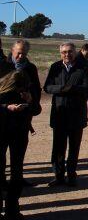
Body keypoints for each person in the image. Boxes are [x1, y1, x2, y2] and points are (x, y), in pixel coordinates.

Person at [43, 42, 88, 187]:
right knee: (58, 147)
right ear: (60, 53)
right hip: (59, 113)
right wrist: (62, 89)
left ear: (75, 52)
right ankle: (58, 176)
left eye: (70, 51)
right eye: (64, 52)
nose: (67, 54)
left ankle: (71, 175)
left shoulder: (83, 68)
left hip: (76, 114)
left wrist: (73, 89)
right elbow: (47, 87)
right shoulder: (55, 67)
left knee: (74, 147)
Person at [0, 70, 40, 219]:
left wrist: (30, 101)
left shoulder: (26, 91)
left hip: (19, 133)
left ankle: (12, 209)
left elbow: (37, 110)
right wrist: (6, 107)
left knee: (17, 172)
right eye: (19, 88)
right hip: (2, 132)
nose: (20, 91)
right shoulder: (2, 91)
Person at [2, 39, 42, 189]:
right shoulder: (3, 66)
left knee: (18, 156)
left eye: (24, 53)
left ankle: (17, 181)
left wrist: (31, 98)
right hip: (4, 117)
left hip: (22, 119)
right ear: (12, 50)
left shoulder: (30, 68)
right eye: (18, 53)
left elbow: (37, 89)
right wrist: (6, 105)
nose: (20, 56)